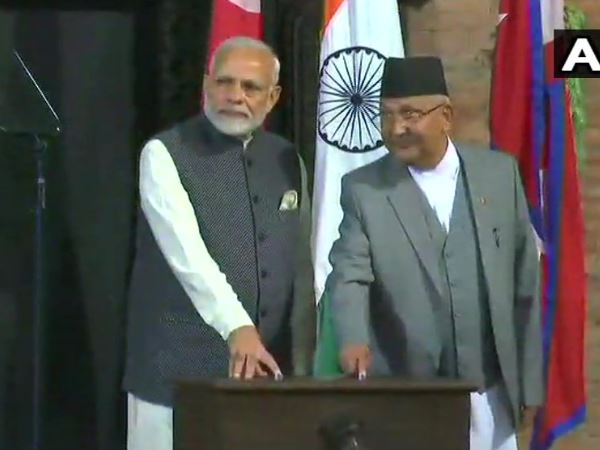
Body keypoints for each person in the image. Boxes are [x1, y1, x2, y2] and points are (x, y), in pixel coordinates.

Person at [326, 56, 543, 450]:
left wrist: (530, 383)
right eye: (386, 115)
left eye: (409, 114)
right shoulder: (364, 189)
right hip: (410, 399)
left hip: (493, 396)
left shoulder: (499, 175)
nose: (396, 128)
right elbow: (349, 273)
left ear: (446, 117)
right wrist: (353, 338)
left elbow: (525, 285)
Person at [123, 37, 315, 450]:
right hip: (174, 376)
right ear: (205, 85)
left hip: (265, 381)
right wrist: (237, 327)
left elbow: (300, 268)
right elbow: (187, 257)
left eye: (250, 87)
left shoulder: (286, 159)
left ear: (273, 97)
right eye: (225, 82)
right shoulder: (164, 154)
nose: (235, 96)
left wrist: (303, 366)